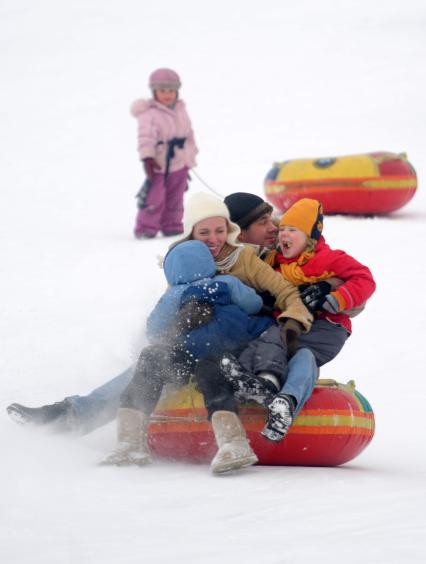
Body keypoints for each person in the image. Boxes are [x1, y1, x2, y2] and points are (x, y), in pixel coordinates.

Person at [4, 192, 289, 434]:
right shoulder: (196, 263)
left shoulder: (267, 261)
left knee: (159, 360)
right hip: (202, 344)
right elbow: (165, 318)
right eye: (263, 222)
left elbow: (278, 301)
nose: (273, 227)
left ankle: (74, 416)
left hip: (241, 350)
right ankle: (73, 415)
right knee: (152, 359)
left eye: (270, 220)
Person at [100, 192, 312, 473]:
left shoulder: (243, 261)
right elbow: (161, 322)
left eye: (220, 231)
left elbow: (273, 295)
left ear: (229, 229)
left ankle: (233, 443)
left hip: (233, 346)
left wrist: (293, 320)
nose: (214, 239)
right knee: (152, 357)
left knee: (212, 367)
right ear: (191, 233)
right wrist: (179, 324)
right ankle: (129, 443)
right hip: (188, 347)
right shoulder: (182, 263)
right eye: (204, 232)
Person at [101, 239, 274, 469]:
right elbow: (253, 304)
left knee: (152, 358)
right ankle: (233, 442)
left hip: (187, 357)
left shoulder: (172, 296)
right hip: (228, 354)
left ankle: (130, 441)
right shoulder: (227, 282)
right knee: (213, 373)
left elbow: (154, 330)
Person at [214, 198, 376, 442]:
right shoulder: (260, 262)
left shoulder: (317, 259)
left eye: (286, 228)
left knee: (274, 337)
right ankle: (283, 402)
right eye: (275, 227)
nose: (277, 231)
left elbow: (362, 280)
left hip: (320, 327)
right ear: (241, 232)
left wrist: (332, 294)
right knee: (303, 357)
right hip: (279, 334)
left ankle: (265, 382)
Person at [132, 68, 198, 239]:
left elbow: (188, 132)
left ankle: (172, 224)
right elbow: (145, 136)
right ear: (154, 91)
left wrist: (191, 153)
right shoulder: (150, 114)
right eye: (163, 90)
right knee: (156, 196)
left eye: (171, 90)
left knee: (176, 195)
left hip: (180, 161)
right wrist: (147, 157)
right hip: (160, 163)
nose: (167, 95)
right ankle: (146, 227)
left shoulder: (181, 109)